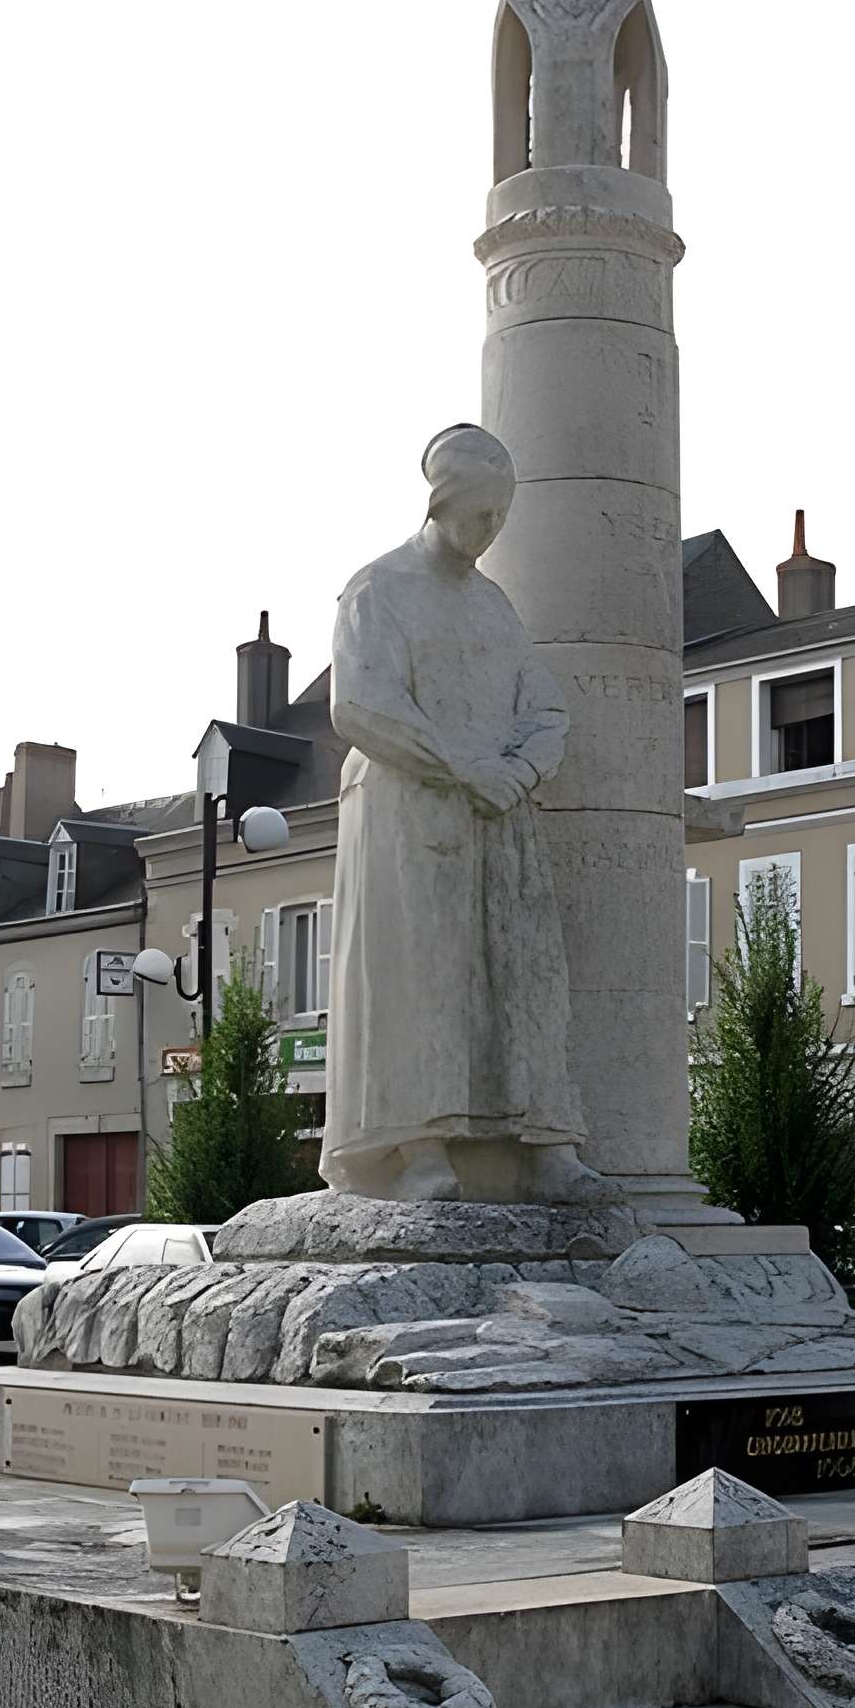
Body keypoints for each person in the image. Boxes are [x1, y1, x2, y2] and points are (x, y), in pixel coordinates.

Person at [319, 425, 601, 1204]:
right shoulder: (377, 590)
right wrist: (462, 766)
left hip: (498, 814)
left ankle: (544, 1144)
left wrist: (518, 768)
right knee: (422, 979)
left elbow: (543, 704)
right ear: (444, 504)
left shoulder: (493, 606)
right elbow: (361, 704)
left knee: (522, 977)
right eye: (482, 516)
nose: (491, 532)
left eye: (501, 519)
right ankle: (421, 1150)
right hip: (412, 812)